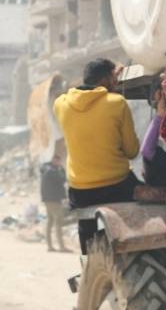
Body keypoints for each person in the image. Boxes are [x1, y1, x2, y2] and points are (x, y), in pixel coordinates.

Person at [53, 58, 141, 208]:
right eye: (113, 79)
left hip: (79, 191)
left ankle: (86, 232)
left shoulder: (61, 104)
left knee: (86, 228)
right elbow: (132, 152)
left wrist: (110, 79)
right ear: (106, 79)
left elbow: (86, 95)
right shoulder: (117, 103)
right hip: (117, 186)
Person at [39, 154, 69, 252]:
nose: (58, 163)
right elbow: (61, 178)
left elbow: (63, 179)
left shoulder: (52, 169)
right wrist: (60, 170)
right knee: (58, 222)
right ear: (53, 160)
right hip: (53, 199)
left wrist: (61, 170)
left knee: (50, 222)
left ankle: (50, 246)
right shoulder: (49, 169)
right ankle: (61, 247)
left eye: (58, 161)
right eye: (56, 161)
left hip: (51, 199)